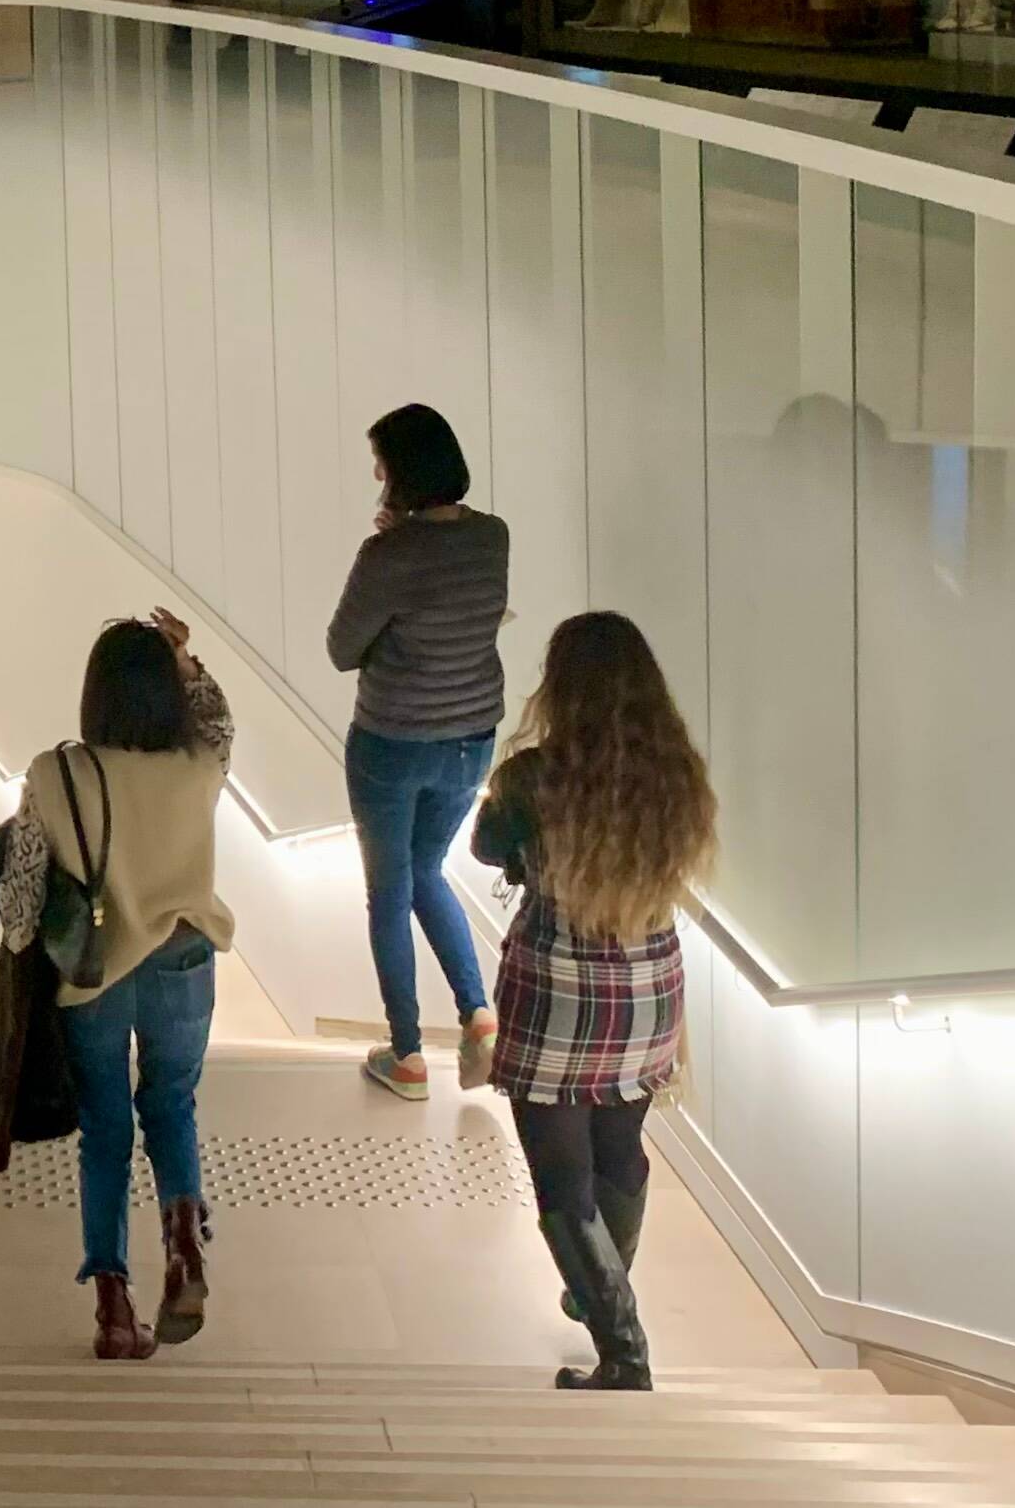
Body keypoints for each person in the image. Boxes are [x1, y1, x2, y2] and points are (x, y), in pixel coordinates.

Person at [473, 610, 717, 1393]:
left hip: (557, 991)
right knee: (621, 1152)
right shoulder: (678, 779)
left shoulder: (530, 778)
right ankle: (597, 1286)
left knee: (562, 1178)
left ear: (561, 689)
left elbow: (484, 844)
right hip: (648, 991)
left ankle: (624, 1350)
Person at [5, 609, 236, 1362]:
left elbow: (19, 900)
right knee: (171, 1105)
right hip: (185, 959)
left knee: (105, 1129)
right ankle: (184, 1243)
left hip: (95, 972)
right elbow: (219, 720)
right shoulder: (200, 764)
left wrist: (20, 967)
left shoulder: (54, 774)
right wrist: (188, 661)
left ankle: (111, 1303)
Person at [326, 402, 511, 1099]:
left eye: (381, 464)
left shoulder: (385, 555)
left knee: (390, 891)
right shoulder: (493, 536)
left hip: (392, 743)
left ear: (403, 470)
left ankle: (406, 1054)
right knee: (428, 869)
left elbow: (342, 649)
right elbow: (448, 592)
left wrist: (392, 551)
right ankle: (479, 1017)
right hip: (470, 742)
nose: (377, 476)